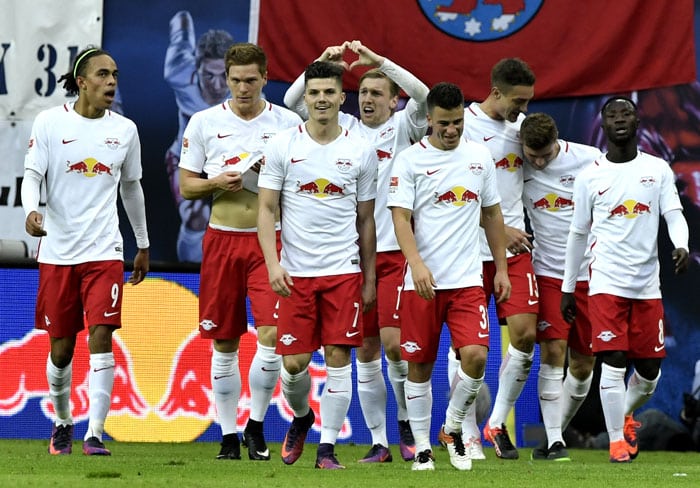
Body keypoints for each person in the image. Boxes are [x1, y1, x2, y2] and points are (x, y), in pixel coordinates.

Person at [283, 39, 428, 462]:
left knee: (396, 346)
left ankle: (404, 421)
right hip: (352, 258)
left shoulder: (404, 127)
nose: (368, 100)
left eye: (376, 93)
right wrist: (320, 63)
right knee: (363, 350)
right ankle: (380, 441)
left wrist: (382, 62)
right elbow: (293, 103)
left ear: (391, 100)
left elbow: (424, 95)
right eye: (363, 92)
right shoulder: (342, 130)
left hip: (397, 253)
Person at [20, 46, 150, 456]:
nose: (111, 82)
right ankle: (62, 423)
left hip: (104, 250)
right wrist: (31, 210)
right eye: (103, 75)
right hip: (58, 252)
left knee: (102, 335)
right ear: (81, 82)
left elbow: (132, 188)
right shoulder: (49, 122)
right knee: (61, 348)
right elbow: (31, 175)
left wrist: (142, 243)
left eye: (115, 74)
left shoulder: (125, 131)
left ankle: (95, 432)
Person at [178, 42, 302, 461]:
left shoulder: (288, 123)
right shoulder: (203, 122)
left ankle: (256, 424)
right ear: (226, 79)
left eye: (251, 80)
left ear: (266, 78)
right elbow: (186, 185)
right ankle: (228, 436)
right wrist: (218, 181)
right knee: (225, 341)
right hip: (222, 239)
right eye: (236, 80)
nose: (243, 88)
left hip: (273, 239)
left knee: (271, 336)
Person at [257, 61, 377, 470]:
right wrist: (273, 265)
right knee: (292, 365)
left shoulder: (360, 151)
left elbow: (365, 219)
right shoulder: (282, 146)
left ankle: (326, 450)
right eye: (315, 92)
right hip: (295, 274)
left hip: (343, 271)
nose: (322, 99)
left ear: (342, 98)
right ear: (304, 97)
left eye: (330, 92)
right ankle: (303, 417)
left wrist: (369, 275)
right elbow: (266, 208)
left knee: (340, 356)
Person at [388, 82, 511, 471]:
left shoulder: (479, 157)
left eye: (457, 122)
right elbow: (400, 218)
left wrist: (502, 268)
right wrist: (417, 263)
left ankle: (452, 426)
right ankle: (423, 447)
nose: (452, 130)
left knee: (475, 357)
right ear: (429, 120)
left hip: (468, 281)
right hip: (421, 284)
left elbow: (491, 214)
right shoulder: (410, 160)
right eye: (444, 123)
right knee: (419, 368)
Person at [561, 96, 689, 463]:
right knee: (614, 360)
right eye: (612, 114)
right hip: (604, 281)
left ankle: (623, 415)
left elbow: (674, 214)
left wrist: (680, 244)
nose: (619, 119)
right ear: (603, 126)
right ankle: (617, 440)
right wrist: (569, 288)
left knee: (649, 373)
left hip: (647, 285)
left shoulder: (657, 169)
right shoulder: (590, 177)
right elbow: (577, 235)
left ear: (637, 123)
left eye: (626, 114)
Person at [457, 57, 537, 460]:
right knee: (471, 350)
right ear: (496, 92)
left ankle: (496, 421)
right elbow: (451, 187)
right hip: (468, 247)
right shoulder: (464, 126)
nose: (523, 109)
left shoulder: (523, 130)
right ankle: (466, 430)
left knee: (524, 335)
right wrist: (498, 228)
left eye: (527, 102)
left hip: (514, 249)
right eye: (518, 101)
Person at [519, 112, 601, 461]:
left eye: (545, 155)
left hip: (592, 276)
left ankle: (556, 432)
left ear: (558, 142)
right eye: (531, 154)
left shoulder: (590, 161)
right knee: (552, 353)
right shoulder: (516, 166)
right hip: (548, 274)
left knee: (583, 366)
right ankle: (554, 440)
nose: (537, 162)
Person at [164, 10, 234, 262]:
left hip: (227, 162)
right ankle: (191, 285)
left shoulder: (245, 91)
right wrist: (182, 18)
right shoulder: (178, 71)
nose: (216, 86)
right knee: (195, 218)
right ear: (196, 66)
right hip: (184, 158)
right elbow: (180, 33)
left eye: (223, 76)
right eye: (208, 75)